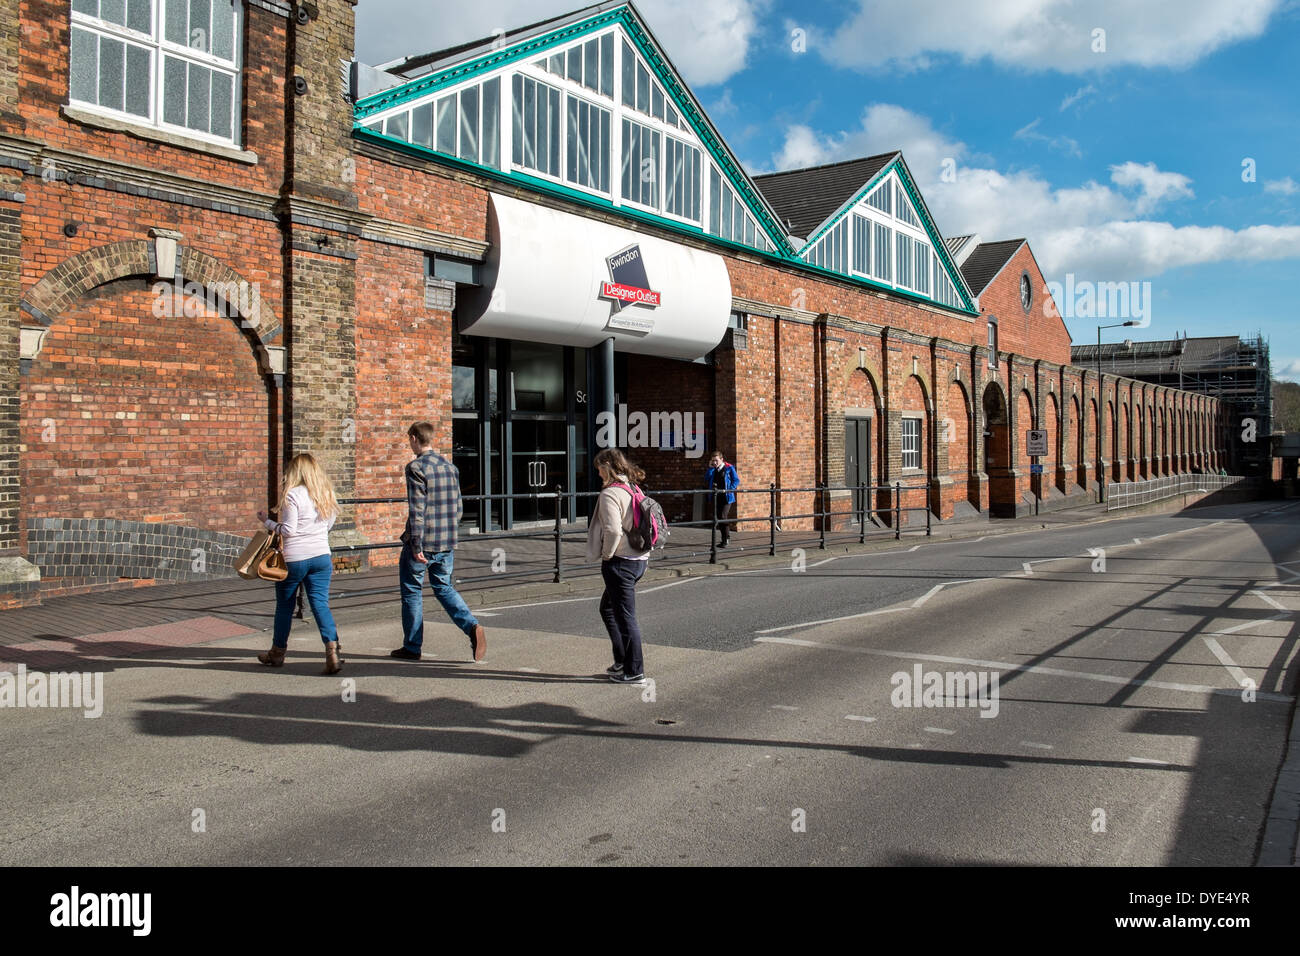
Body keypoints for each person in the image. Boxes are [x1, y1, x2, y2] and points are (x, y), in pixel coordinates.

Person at [391, 421, 486, 662]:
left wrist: (416, 545)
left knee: (412, 591)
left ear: (414, 438)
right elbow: (458, 507)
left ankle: (412, 647)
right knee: (444, 587)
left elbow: (417, 510)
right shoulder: (450, 467)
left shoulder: (415, 468)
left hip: (424, 543)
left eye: (409, 439)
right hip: (447, 541)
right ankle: (472, 626)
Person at [255, 452, 343, 674]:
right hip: (322, 556)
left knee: (285, 607)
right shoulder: (326, 493)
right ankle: (332, 651)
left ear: (295, 472)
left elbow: (289, 531)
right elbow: (329, 524)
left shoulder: (292, 495)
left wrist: (267, 521)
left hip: (295, 559)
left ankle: (277, 653)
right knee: (320, 604)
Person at [587, 448, 650, 685]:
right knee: (609, 609)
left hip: (621, 561)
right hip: (639, 559)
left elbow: (612, 530)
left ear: (608, 466)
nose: (598, 473)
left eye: (599, 468)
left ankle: (634, 671)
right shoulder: (633, 487)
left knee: (625, 617)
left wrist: (607, 555)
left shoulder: (610, 494)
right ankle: (623, 661)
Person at [705, 451, 740, 548]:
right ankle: (724, 538)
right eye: (713, 461)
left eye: (716, 460)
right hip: (716, 497)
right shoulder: (713, 469)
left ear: (721, 459)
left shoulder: (729, 468)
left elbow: (736, 480)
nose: (715, 462)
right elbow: (706, 478)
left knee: (723, 516)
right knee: (719, 518)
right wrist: (710, 468)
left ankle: (726, 539)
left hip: (726, 497)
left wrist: (729, 490)